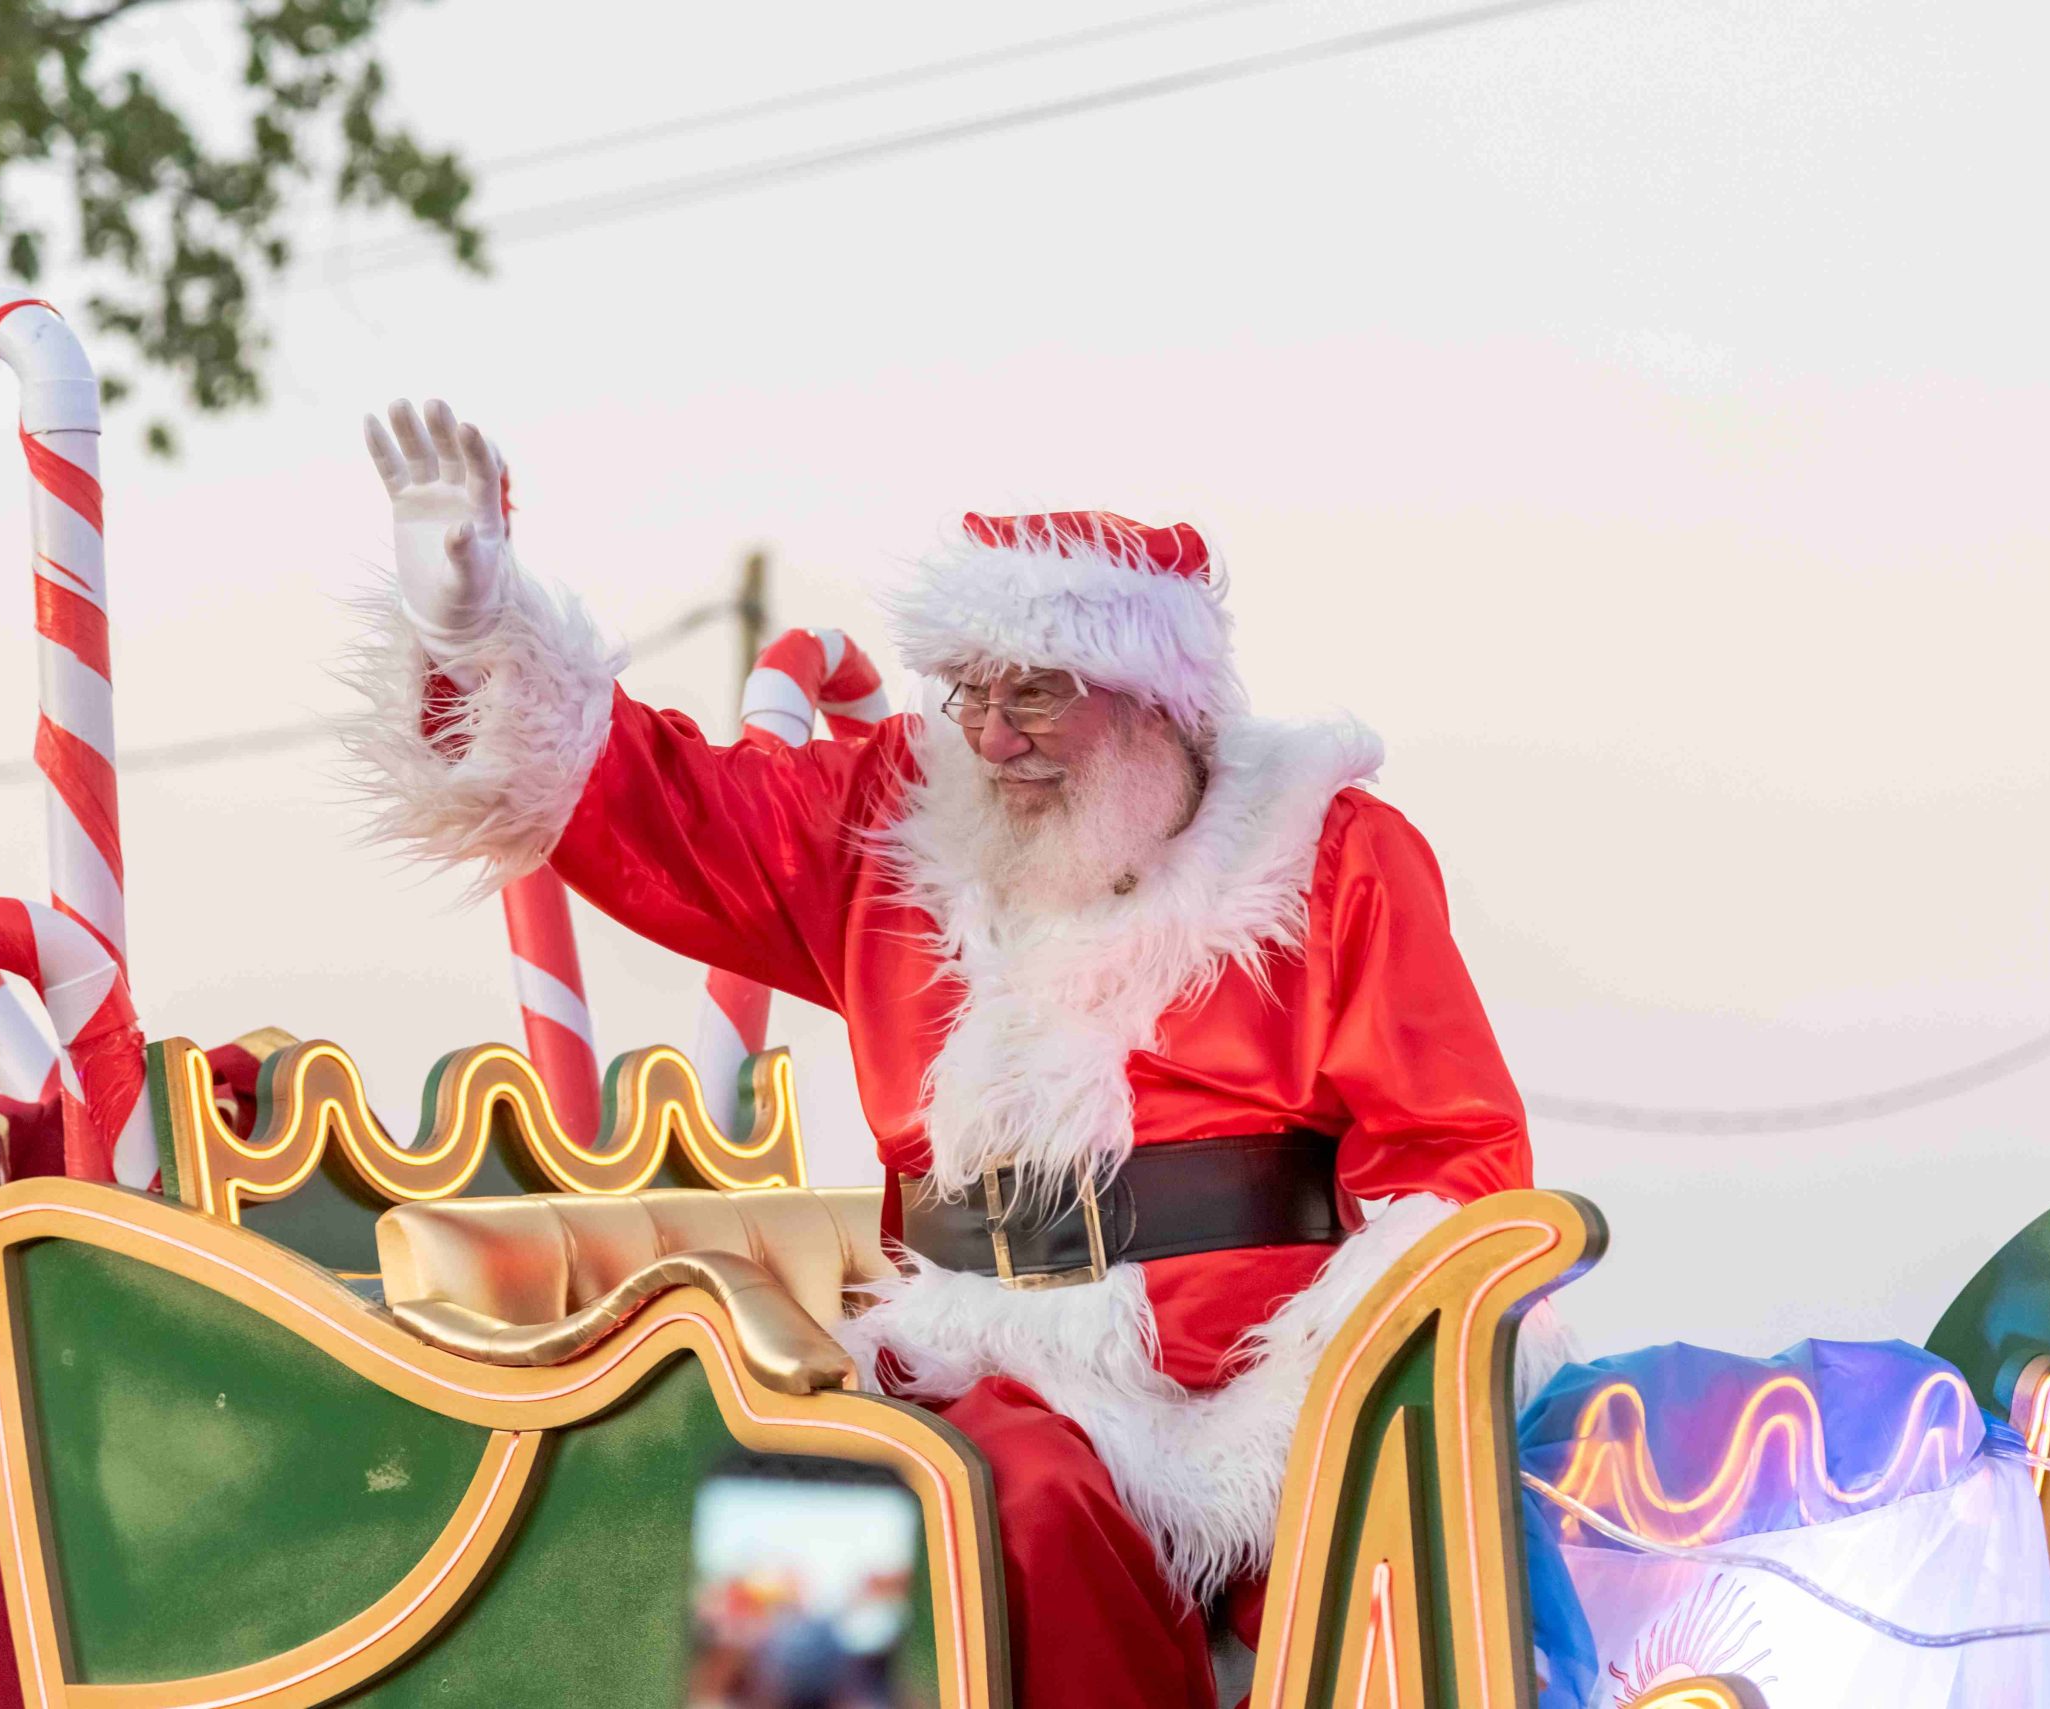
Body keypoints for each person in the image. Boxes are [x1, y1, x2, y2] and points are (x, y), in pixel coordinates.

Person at [347, 397, 1547, 1708]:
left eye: (1034, 690)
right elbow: (662, 804)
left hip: (1251, 1399)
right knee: (879, 1485)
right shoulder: (896, 827)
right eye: (970, 692)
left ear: (1163, 704)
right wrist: (477, 628)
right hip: (971, 1358)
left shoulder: (1329, 855)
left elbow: (1450, 1171)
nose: (990, 735)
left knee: (1153, 1524)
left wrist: (1352, 1385)